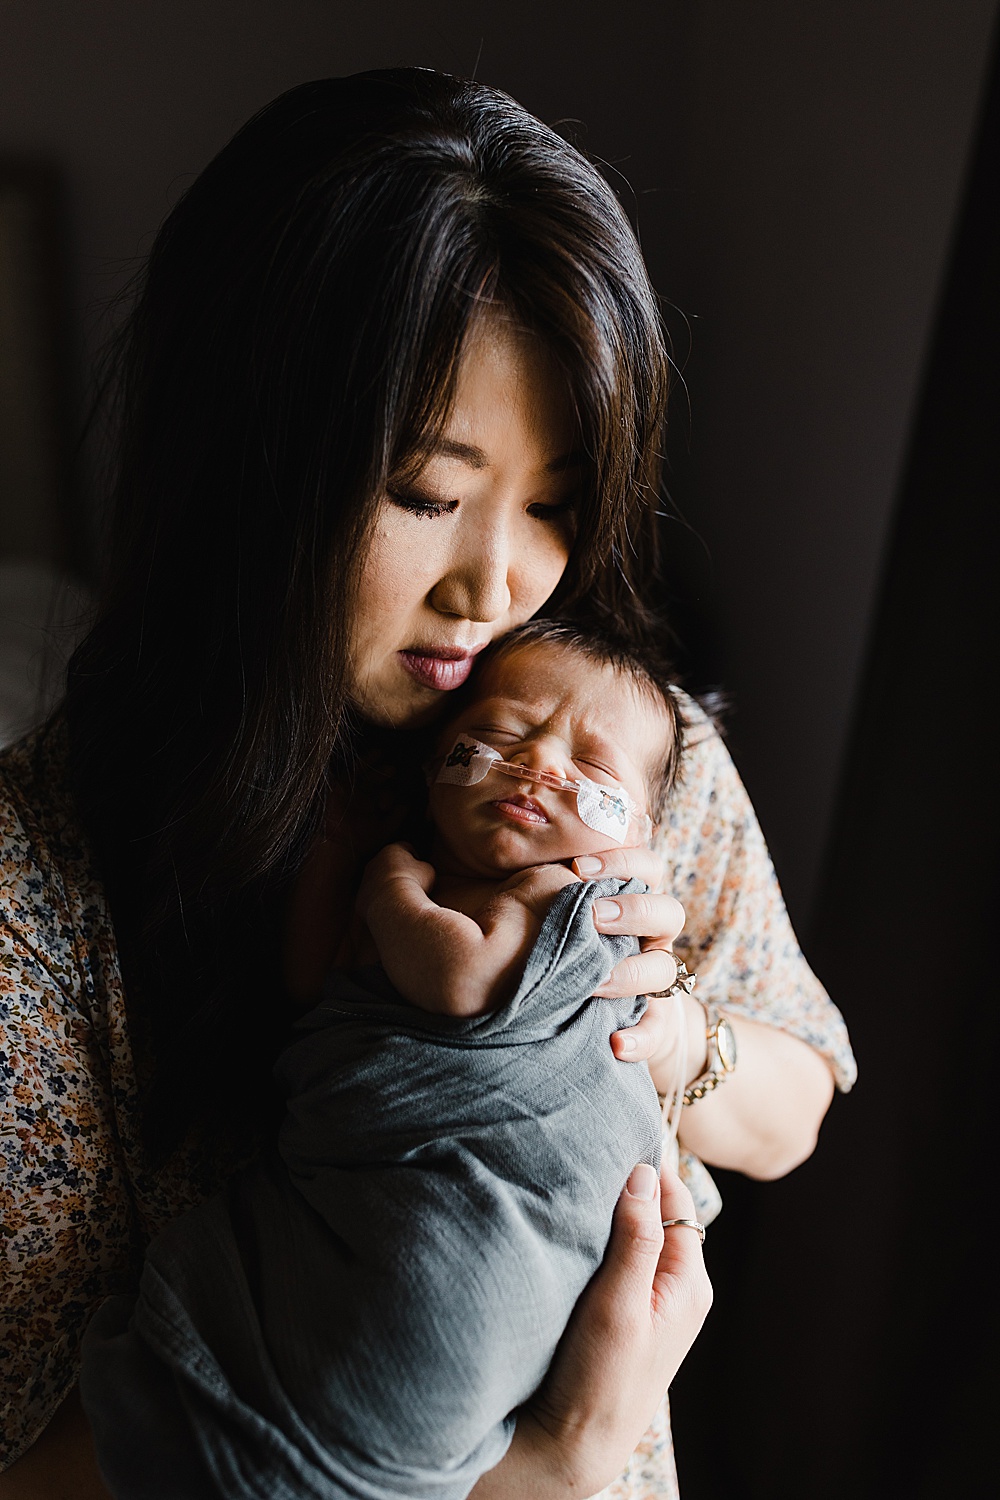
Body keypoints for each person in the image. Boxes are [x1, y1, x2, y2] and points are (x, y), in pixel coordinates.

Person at [0, 69, 854, 1499]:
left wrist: (672, 1034)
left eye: (557, 504)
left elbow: (798, 1099)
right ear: (244, 465)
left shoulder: (599, 752)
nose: (500, 585)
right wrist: (554, 1469)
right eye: (425, 492)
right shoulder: (38, 911)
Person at [79, 621, 693, 1500]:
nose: (541, 765)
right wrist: (338, 850)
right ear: (435, 760)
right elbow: (311, 977)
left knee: (424, 1314)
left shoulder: (576, 894)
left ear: (636, 832)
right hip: (379, 1183)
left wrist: (386, 883)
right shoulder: (417, 873)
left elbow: (463, 978)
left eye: (592, 768)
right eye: (508, 734)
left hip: (499, 1209)